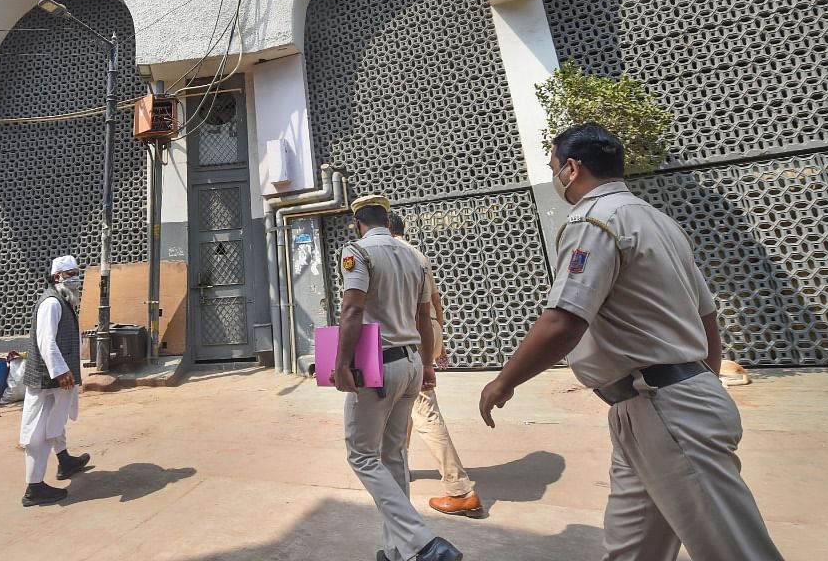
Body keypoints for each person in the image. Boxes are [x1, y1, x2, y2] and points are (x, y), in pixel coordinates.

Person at [478, 123, 783, 561]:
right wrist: (705, 382)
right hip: (650, 405)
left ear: (572, 168)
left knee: (735, 550)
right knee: (633, 548)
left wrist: (503, 382)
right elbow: (706, 316)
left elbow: (564, 321)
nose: (553, 176)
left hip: (664, 405)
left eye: (553, 168)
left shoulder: (592, 220)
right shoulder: (659, 221)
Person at [331, 195, 463, 561]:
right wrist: (428, 364)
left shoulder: (357, 252)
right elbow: (425, 317)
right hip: (411, 364)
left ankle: (424, 542)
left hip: (379, 367)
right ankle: (398, 550)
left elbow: (353, 307)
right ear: (387, 221)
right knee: (393, 455)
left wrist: (342, 363)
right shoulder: (415, 256)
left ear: (358, 222)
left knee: (361, 455)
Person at [386, 214, 482, 519]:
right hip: (427, 331)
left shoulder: (390, 255)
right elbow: (435, 303)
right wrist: (438, 340)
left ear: (386, 230)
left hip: (410, 336)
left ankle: (461, 491)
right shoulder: (418, 254)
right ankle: (397, 467)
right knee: (407, 408)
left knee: (424, 410)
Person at [19, 254, 90, 507]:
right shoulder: (51, 303)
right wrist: (60, 371)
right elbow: (45, 341)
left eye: (77, 274)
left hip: (57, 379)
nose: (76, 279)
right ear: (58, 276)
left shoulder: (64, 299)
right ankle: (34, 487)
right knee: (39, 434)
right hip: (48, 380)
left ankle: (64, 460)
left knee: (55, 421)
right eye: (71, 275)